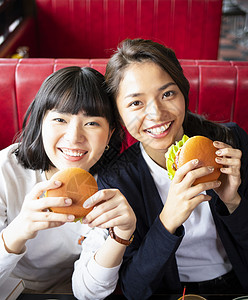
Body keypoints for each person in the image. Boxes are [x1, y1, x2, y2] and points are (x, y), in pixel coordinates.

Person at [97, 38, 248, 299]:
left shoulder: (231, 142)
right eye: (136, 103)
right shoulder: (118, 180)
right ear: (118, 114)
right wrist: (168, 219)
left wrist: (234, 202)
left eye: (167, 94)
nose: (156, 113)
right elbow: (134, 289)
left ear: (183, 92)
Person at [0, 66, 136, 299]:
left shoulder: (112, 187)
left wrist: (121, 235)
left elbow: (89, 293)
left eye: (92, 123)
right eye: (60, 119)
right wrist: (20, 229)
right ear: (40, 122)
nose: (74, 137)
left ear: (110, 134)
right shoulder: (5, 170)